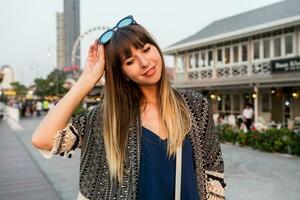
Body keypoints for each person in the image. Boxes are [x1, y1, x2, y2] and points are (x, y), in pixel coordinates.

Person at [31, 15, 225, 200]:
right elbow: (43, 139)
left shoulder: (195, 105)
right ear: (123, 73)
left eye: (146, 49)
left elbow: (213, 171)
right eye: (130, 61)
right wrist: (87, 79)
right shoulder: (108, 118)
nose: (144, 62)